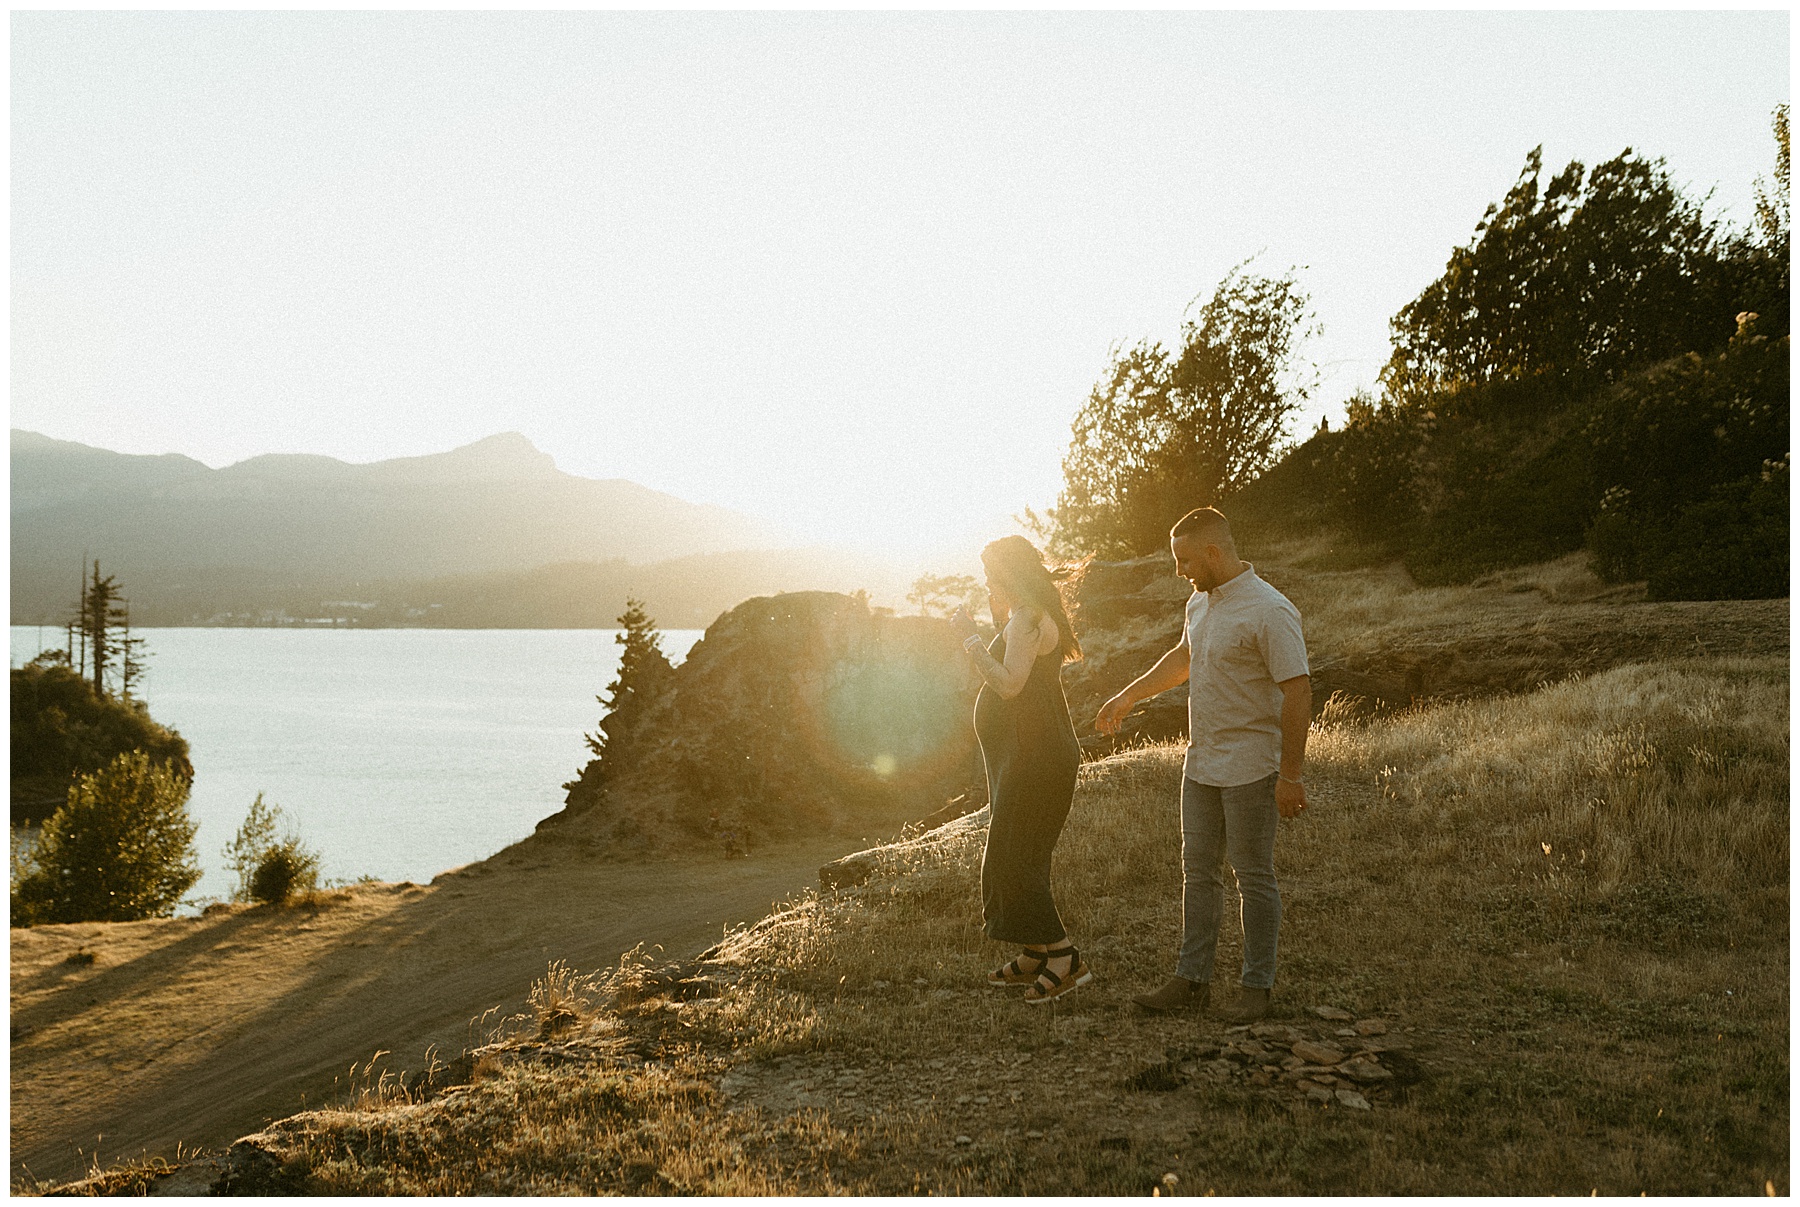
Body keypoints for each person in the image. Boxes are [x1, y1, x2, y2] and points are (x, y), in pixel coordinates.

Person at [1095, 507, 1311, 1024]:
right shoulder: (1199, 602)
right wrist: (1128, 696)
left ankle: (1256, 988)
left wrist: (1291, 774)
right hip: (1201, 763)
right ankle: (1191, 980)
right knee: (1197, 874)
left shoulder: (1270, 610)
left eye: (1185, 559)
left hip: (1252, 766)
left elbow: (1298, 690)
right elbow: (1183, 657)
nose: (1179, 571)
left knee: (1253, 877)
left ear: (1214, 552)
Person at [950, 536, 1087, 1004]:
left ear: (1009, 572)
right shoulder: (1022, 615)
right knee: (1015, 853)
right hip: (1027, 756)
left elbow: (1009, 685)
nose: (987, 580)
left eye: (991, 573)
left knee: (1018, 858)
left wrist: (971, 641)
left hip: (1037, 757)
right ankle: (1035, 950)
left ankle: (1066, 958)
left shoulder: (1028, 618)